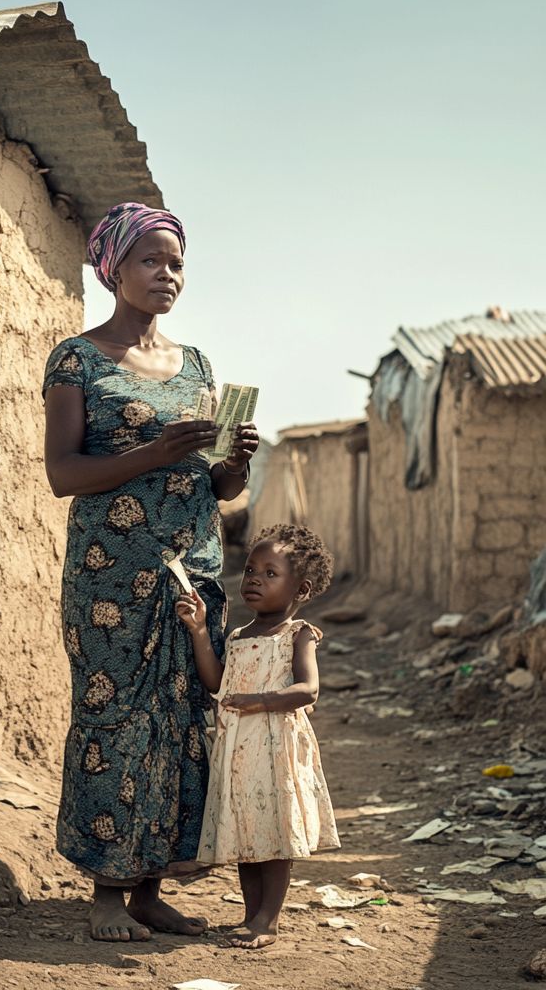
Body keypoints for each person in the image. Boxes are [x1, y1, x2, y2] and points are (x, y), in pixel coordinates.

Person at [42, 202, 259, 942]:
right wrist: (154, 453)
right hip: (111, 577)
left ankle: (149, 889)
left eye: (175, 263)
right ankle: (106, 890)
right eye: (150, 261)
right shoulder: (76, 359)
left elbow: (218, 489)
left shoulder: (195, 364)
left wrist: (230, 465)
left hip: (190, 568)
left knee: (183, 721)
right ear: (114, 269)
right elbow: (63, 473)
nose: (167, 275)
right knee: (115, 717)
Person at [176, 523, 340, 950]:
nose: (254, 579)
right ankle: (251, 917)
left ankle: (268, 920)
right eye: (251, 569)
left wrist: (261, 700)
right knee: (248, 836)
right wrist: (198, 631)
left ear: (300, 589)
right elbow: (216, 683)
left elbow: (308, 690)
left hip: (276, 751)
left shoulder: (297, 633)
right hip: (237, 754)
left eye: (270, 573)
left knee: (275, 837)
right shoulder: (237, 637)